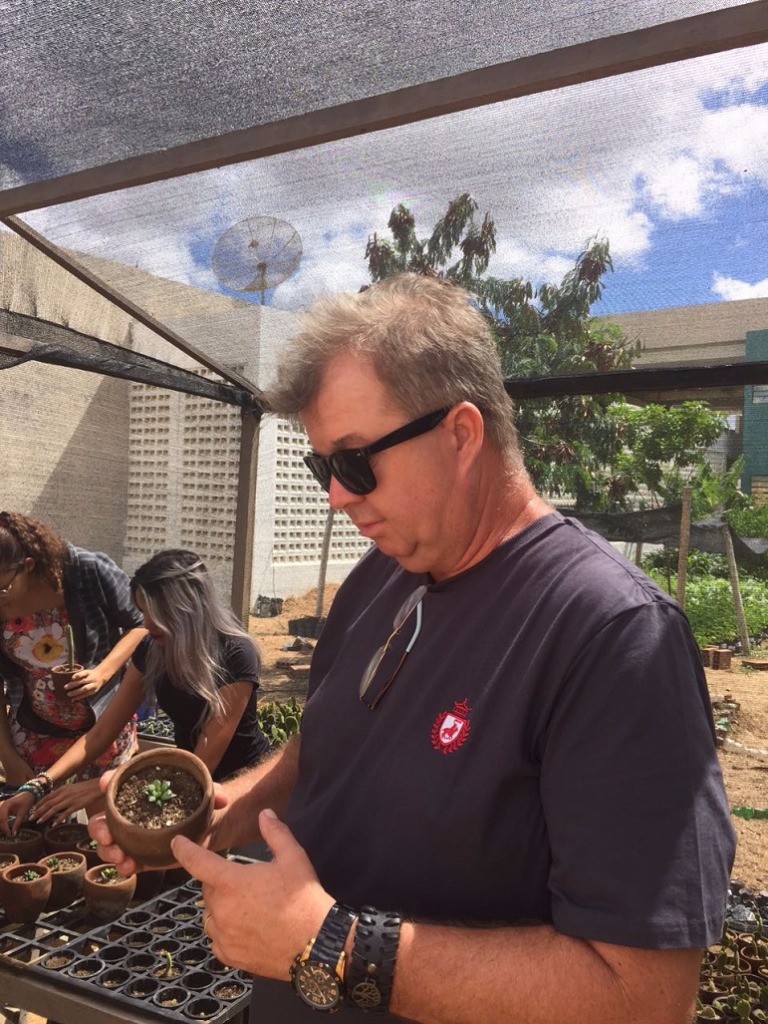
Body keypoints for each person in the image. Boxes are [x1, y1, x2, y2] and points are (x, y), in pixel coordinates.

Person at [91, 273, 735, 1024]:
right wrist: (220, 812)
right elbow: (324, 745)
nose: (336, 495)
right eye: (322, 466)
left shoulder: (612, 634)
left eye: (355, 460)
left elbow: (644, 998)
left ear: (461, 435)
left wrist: (334, 946)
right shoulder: (384, 574)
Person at [0, 548, 269, 830]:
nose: (147, 624)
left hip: (242, 784)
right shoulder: (153, 649)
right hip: (183, 779)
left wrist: (103, 785)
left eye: (156, 614)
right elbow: (100, 734)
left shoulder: (236, 654)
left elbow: (204, 760)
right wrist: (39, 785)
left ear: (188, 608)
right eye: (144, 612)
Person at [0, 510, 145, 815]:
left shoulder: (87, 571)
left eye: (2, 589)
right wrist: (8, 757)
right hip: (36, 730)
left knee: (105, 824)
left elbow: (142, 624)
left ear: (28, 565)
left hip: (103, 726)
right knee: (35, 822)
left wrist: (103, 672)